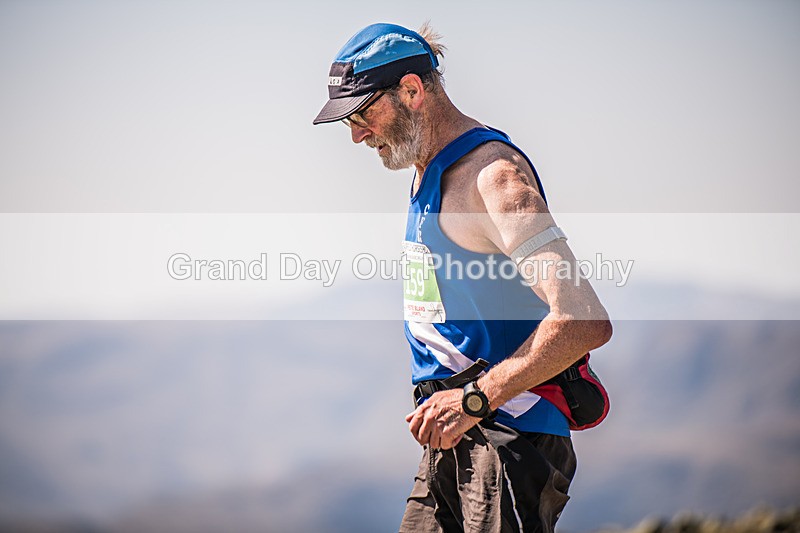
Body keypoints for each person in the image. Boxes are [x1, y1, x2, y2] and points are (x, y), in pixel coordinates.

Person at [313, 22, 612, 533]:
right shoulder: (427, 170)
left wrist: (475, 399)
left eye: (363, 113)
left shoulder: (493, 178)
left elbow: (583, 320)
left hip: (507, 438)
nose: (358, 134)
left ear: (412, 90)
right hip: (456, 434)